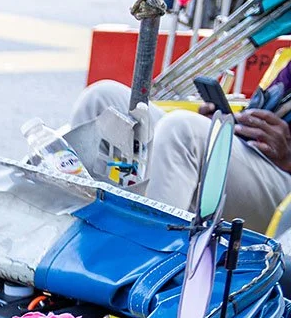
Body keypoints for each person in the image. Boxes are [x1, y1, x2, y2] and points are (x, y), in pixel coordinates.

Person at [70, 80, 291, 230]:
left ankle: (147, 258)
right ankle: (88, 234)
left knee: (182, 130)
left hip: (285, 200)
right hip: (259, 161)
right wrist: (232, 123)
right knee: (102, 98)